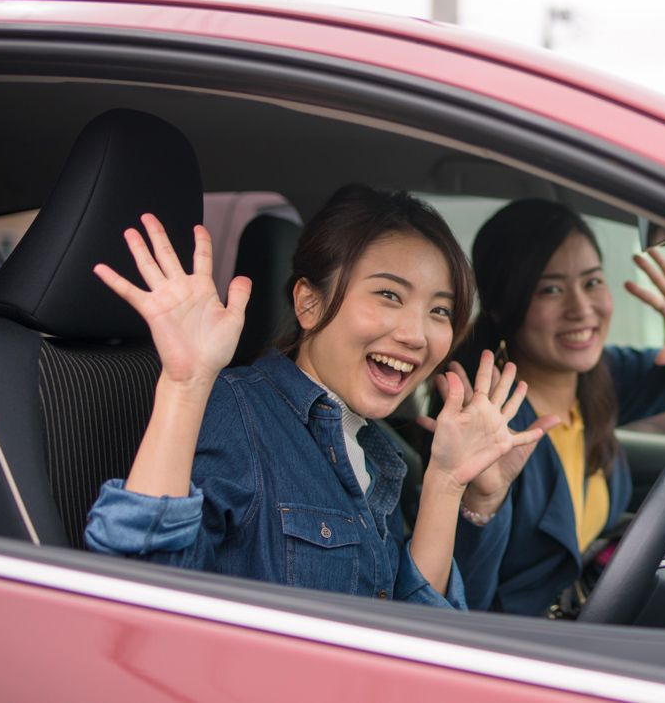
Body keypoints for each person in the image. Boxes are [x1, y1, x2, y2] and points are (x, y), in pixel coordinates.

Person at [84, 186, 543, 610]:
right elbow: (134, 598)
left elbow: (425, 631)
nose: (416, 334)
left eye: (439, 310)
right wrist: (184, 385)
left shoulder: (372, 448)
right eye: (389, 295)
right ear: (309, 304)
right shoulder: (239, 413)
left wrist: (450, 482)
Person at [425, 199, 665, 616]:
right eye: (550, 289)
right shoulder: (482, 417)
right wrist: (481, 504)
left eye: (592, 282)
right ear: (501, 305)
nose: (582, 309)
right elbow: (462, 600)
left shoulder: (597, 378)